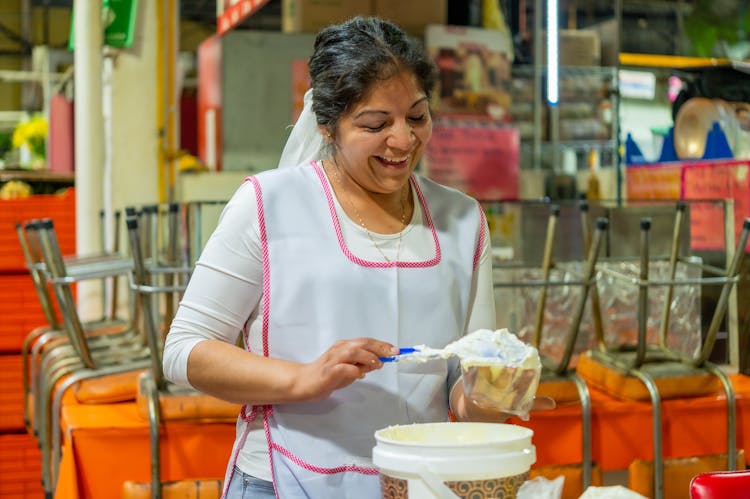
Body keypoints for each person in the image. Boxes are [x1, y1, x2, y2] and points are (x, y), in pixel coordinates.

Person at [163, 16, 550, 499]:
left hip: (417, 483)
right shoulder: (268, 205)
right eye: (375, 124)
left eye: (417, 116)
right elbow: (184, 351)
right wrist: (304, 378)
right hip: (284, 477)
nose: (404, 141)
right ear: (327, 124)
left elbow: (463, 392)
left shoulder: (462, 220)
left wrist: (495, 389)